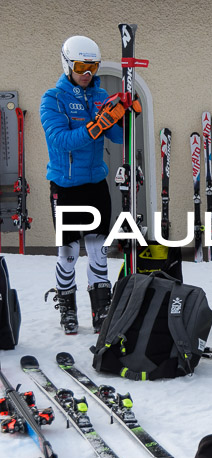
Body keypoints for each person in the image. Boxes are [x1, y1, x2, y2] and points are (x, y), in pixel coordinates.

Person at [40, 35, 135, 334]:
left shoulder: (98, 96)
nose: (87, 73)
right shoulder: (52, 98)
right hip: (65, 187)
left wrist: (123, 117)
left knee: (98, 249)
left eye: (92, 66)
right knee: (68, 253)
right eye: (81, 66)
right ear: (67, 64)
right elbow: (60, 141)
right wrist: (96, 126)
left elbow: (118, 138)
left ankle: (101, 309)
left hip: (96, 184)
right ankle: (67, 309)